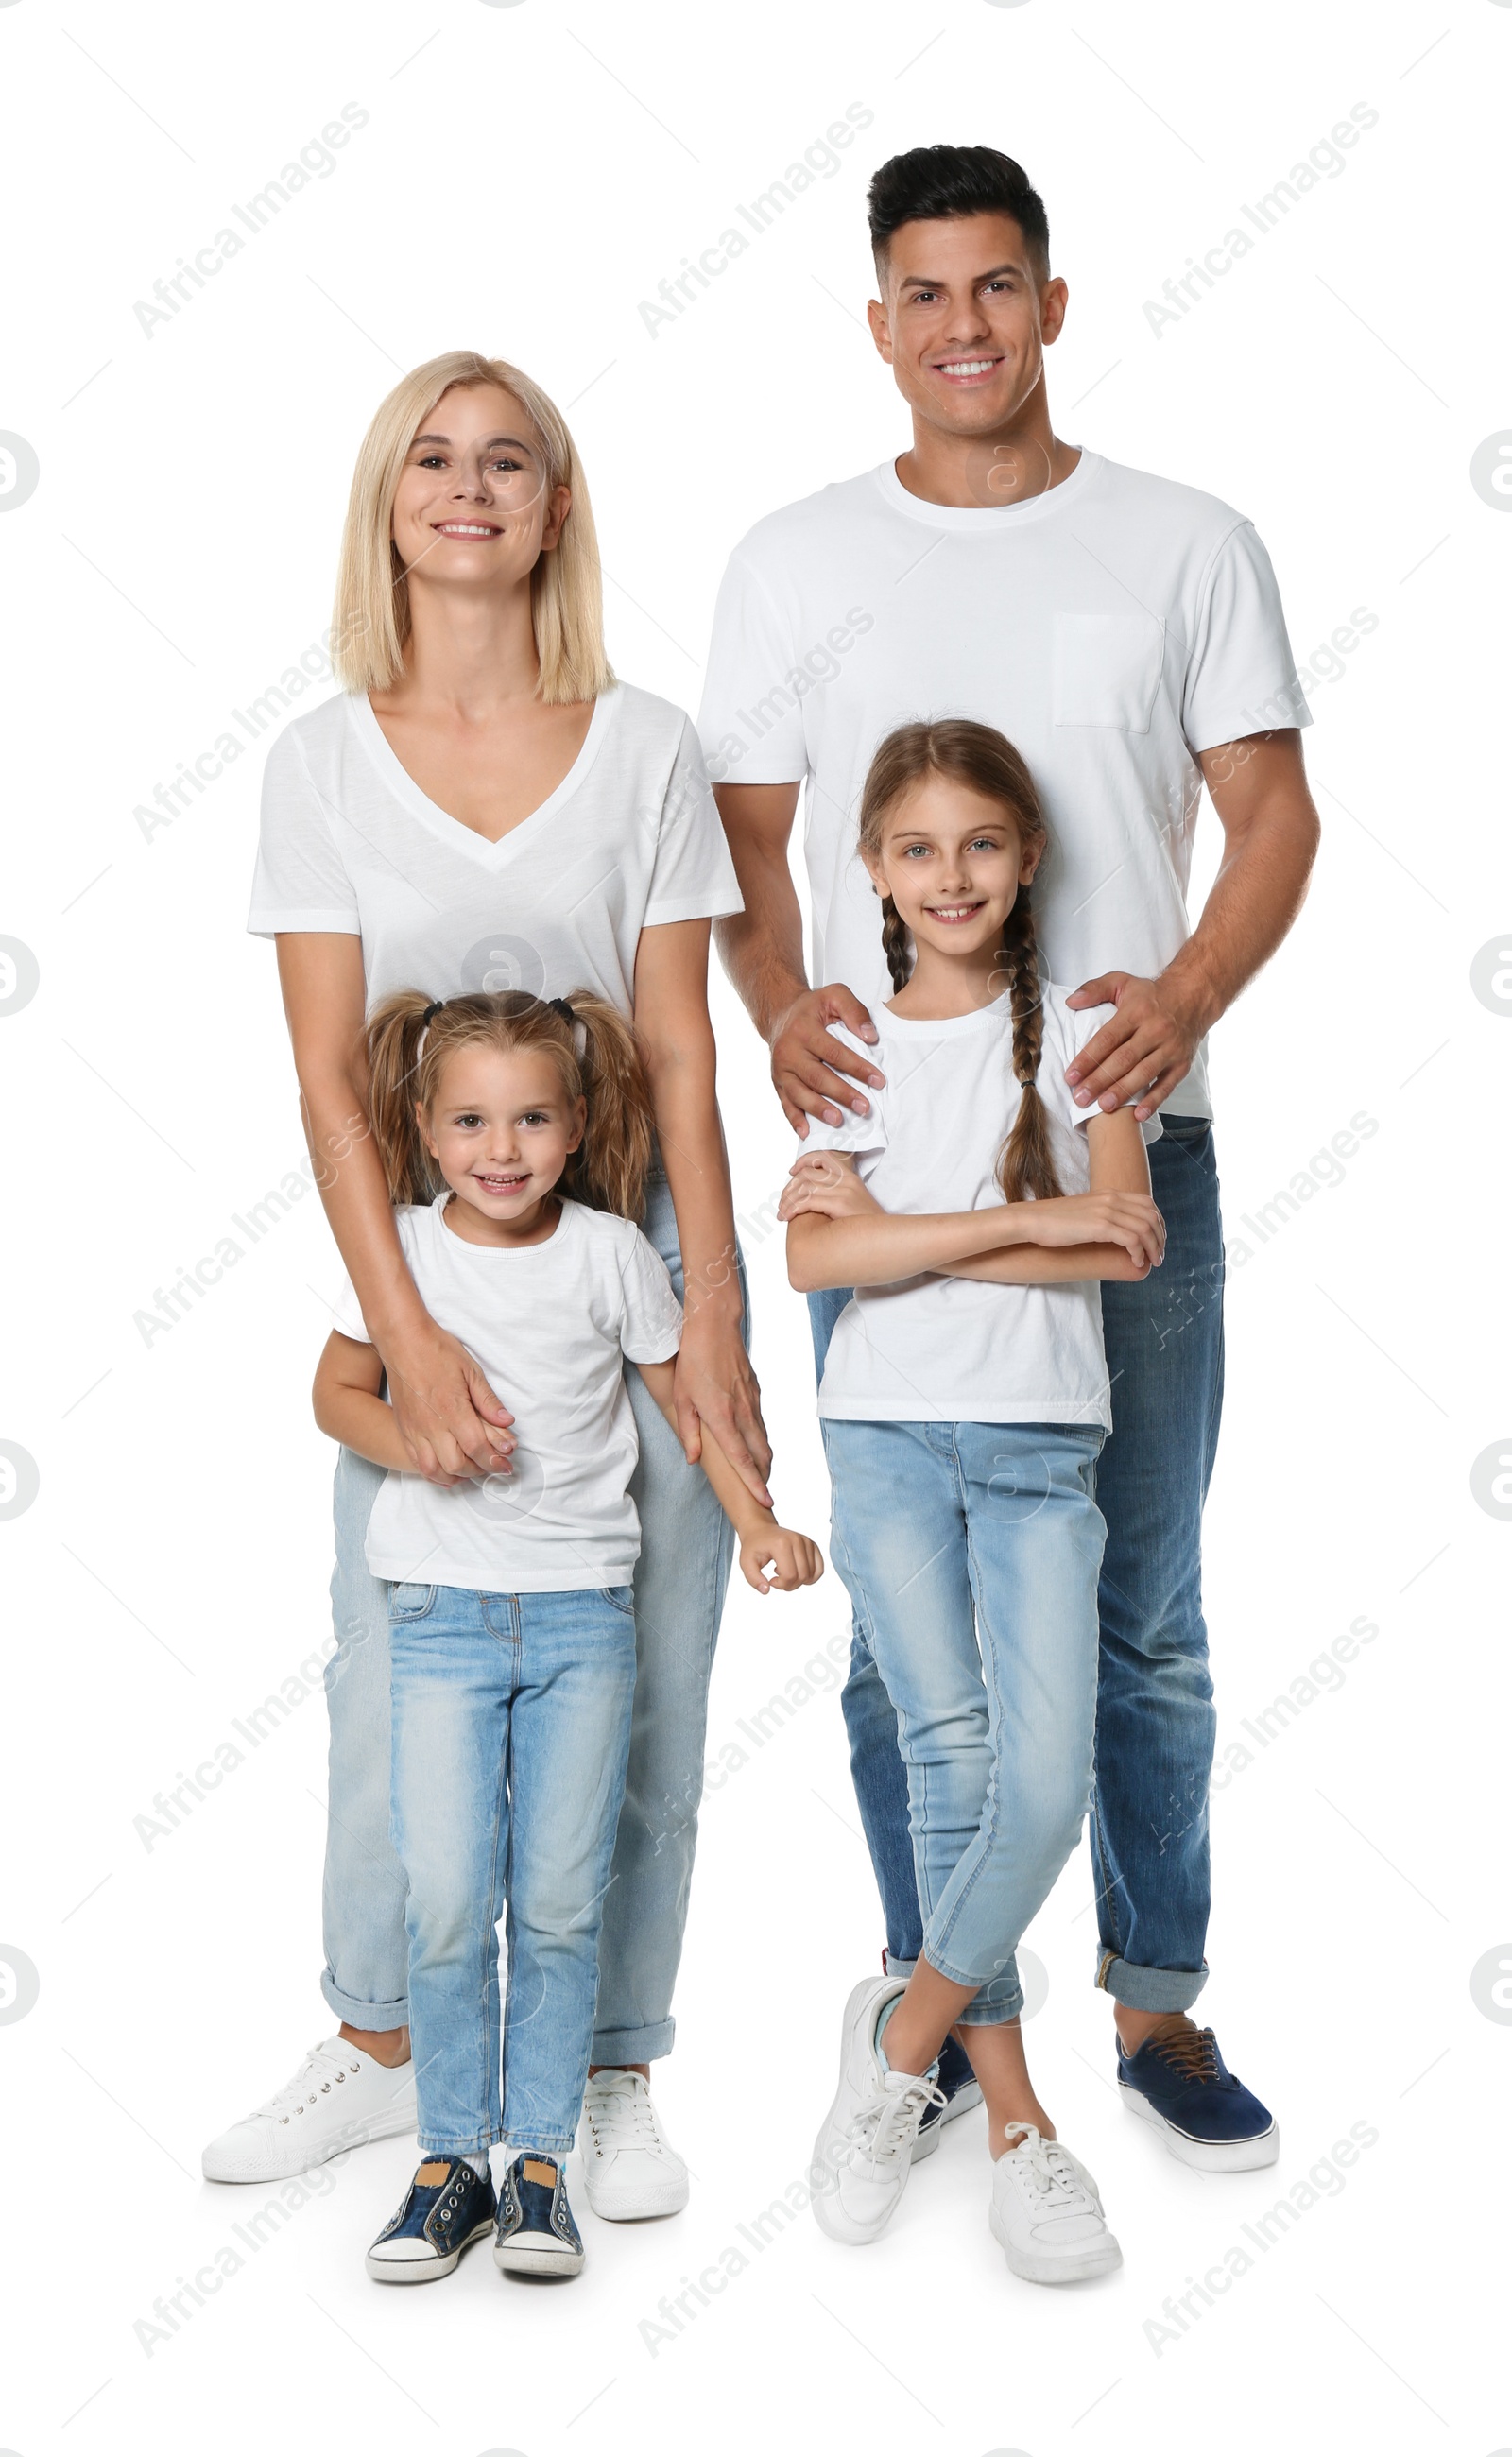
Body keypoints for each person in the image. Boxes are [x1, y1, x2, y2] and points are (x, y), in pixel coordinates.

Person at [703, 146, 1319, 2167]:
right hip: (881, 1185)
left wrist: (1190, 999)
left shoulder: (1183, 539)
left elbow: (1271, 816)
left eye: (995, 286)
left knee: (1139, 1613)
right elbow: (742, 844)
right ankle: (943, 2016)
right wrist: (779, 999)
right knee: (909, 1653)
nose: (960, 325)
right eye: (920, 292)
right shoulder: (795, 559)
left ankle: (1153, 2008)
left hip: (1132, 1159)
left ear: (1053, 301)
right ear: (874, 321)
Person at [207, 351, 767, 2212]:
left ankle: (603, 2065)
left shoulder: (647, 745)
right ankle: (383, 2044)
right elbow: (320, 1077)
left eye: (504, 461)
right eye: (431, 461)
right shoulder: (319, 762)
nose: (467, 487)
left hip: (638, 1258)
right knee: (398, 1671)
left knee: (648, 1678)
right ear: (389, 504)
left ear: (553, 504)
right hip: (430, 1270)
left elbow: (684, 1057)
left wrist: (719, 1320)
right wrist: (413, 1328)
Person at [313, 988, 819, 2283]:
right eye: (473, 1120)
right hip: (437, 1624)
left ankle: (536, 2165)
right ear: (426, 1135)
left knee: (552, 1899)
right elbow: (335, 1388)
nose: (503, 1147)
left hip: (586, 1626)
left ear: (578, 1124)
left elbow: (686, 1400)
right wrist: (416, 1441)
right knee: (441, 1896)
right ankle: (449, 2162)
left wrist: (758, 1521)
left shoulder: (609, 1255)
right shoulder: (406, 1254)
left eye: (533, 1118)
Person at [785, 721, 1162, 2277]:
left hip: (1035, 1439)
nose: (953, 876)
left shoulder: (1084, 1027)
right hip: (881, 1433)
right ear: (874, 868)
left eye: (982, 846)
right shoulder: (848, 1043)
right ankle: (1015, 2119)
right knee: (949, 1764)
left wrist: (915, 1232)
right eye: (919, 849)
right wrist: (1037, 1218)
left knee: (1048, 1779)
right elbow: (816, 1259)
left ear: (1029, 859)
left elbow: (1129, 1239)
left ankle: (904, 2036)